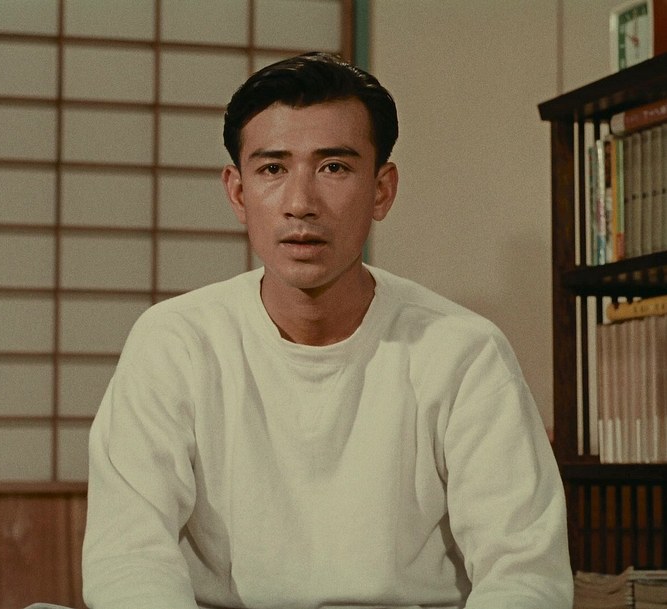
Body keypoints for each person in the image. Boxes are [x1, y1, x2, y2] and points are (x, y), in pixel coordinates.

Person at [82, 52, 573, 609]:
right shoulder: (174, 342)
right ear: (238, 192)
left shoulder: (463, 350)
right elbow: (129, 557)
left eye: (334, 167)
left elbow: (524, 572)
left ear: (382, 190)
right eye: (273, 169)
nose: (301, 204)